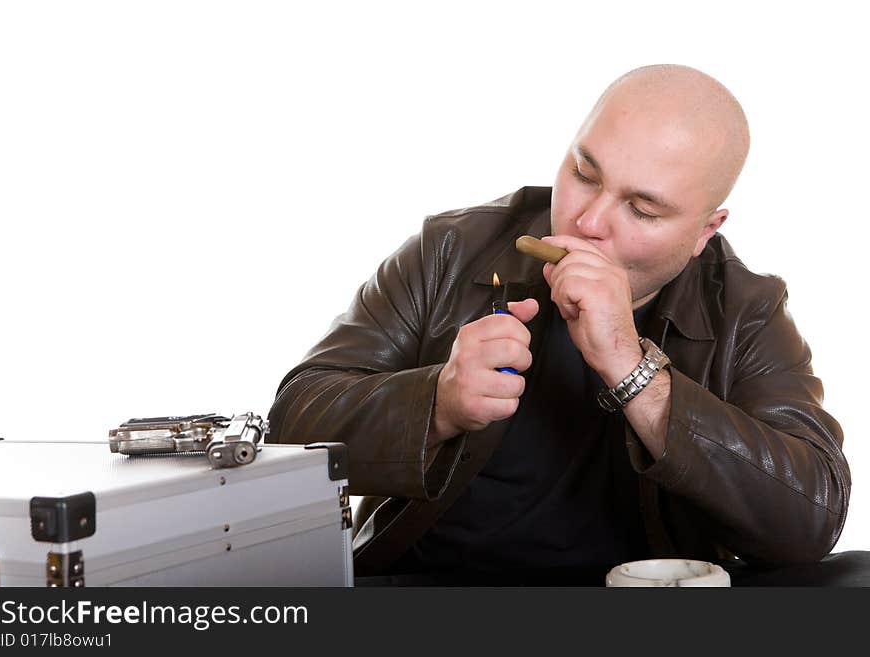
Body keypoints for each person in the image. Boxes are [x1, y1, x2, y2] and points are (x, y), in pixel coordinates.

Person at [267, 64, 852, 585]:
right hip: (431, 584)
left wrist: (633, 368)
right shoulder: (448, 250)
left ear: (705, 230)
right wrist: (439, 403)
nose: (588, 220)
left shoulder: (748, 309)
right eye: (584, 173)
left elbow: (811, 518)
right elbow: (294, 421)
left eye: (642, 209)